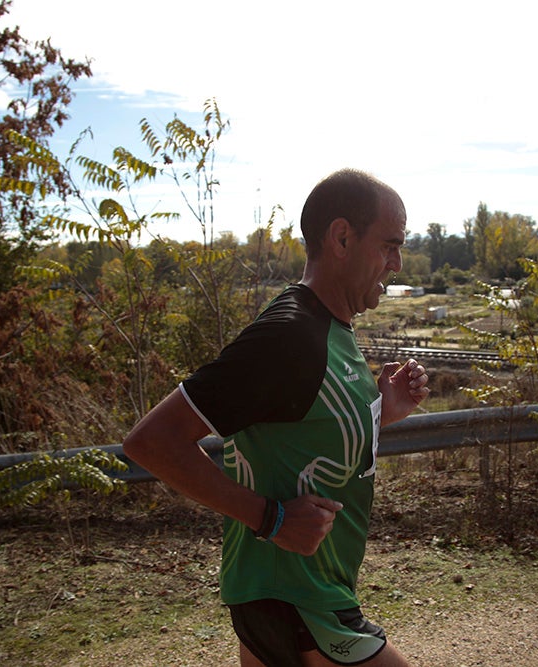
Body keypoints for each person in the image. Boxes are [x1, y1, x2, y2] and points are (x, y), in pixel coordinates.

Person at [122, 168, 429, 666]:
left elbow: (303, 433)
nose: (397, 263)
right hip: (298, 595)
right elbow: (151, 441)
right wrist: (273, 518)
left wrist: (381, 412)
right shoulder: (289, 336)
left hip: (290, 589)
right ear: (342, 237)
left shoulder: (332, 326)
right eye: (390, 245)